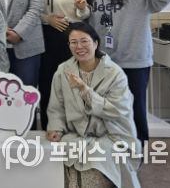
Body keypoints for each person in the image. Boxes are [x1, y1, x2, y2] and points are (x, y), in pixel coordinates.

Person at [84, 0, 170, 144]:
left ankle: (139, 149)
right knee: (105, 109)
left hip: (134, 60)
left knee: (135, 108)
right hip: (104, 62)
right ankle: (112, 150)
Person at [47, 22, 141, 188]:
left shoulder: (114, 73)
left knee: (96, 162)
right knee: (63, 163)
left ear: (96, 43)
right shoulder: (63, 71)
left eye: (84, 41)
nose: (79, 47)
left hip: (110, 135)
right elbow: (56, 107)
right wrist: (56, 128)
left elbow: (117, 111)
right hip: (76, 135)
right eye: (73, 42)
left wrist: (85, 90)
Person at [37, 0, 90, 129]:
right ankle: (48, 128)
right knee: (45, 84)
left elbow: (84, 15)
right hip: (42, 38)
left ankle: (72, 129)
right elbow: (30, 10)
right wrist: (47, 19)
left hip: (67, 39)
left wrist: (82, 7)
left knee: (69, 85)